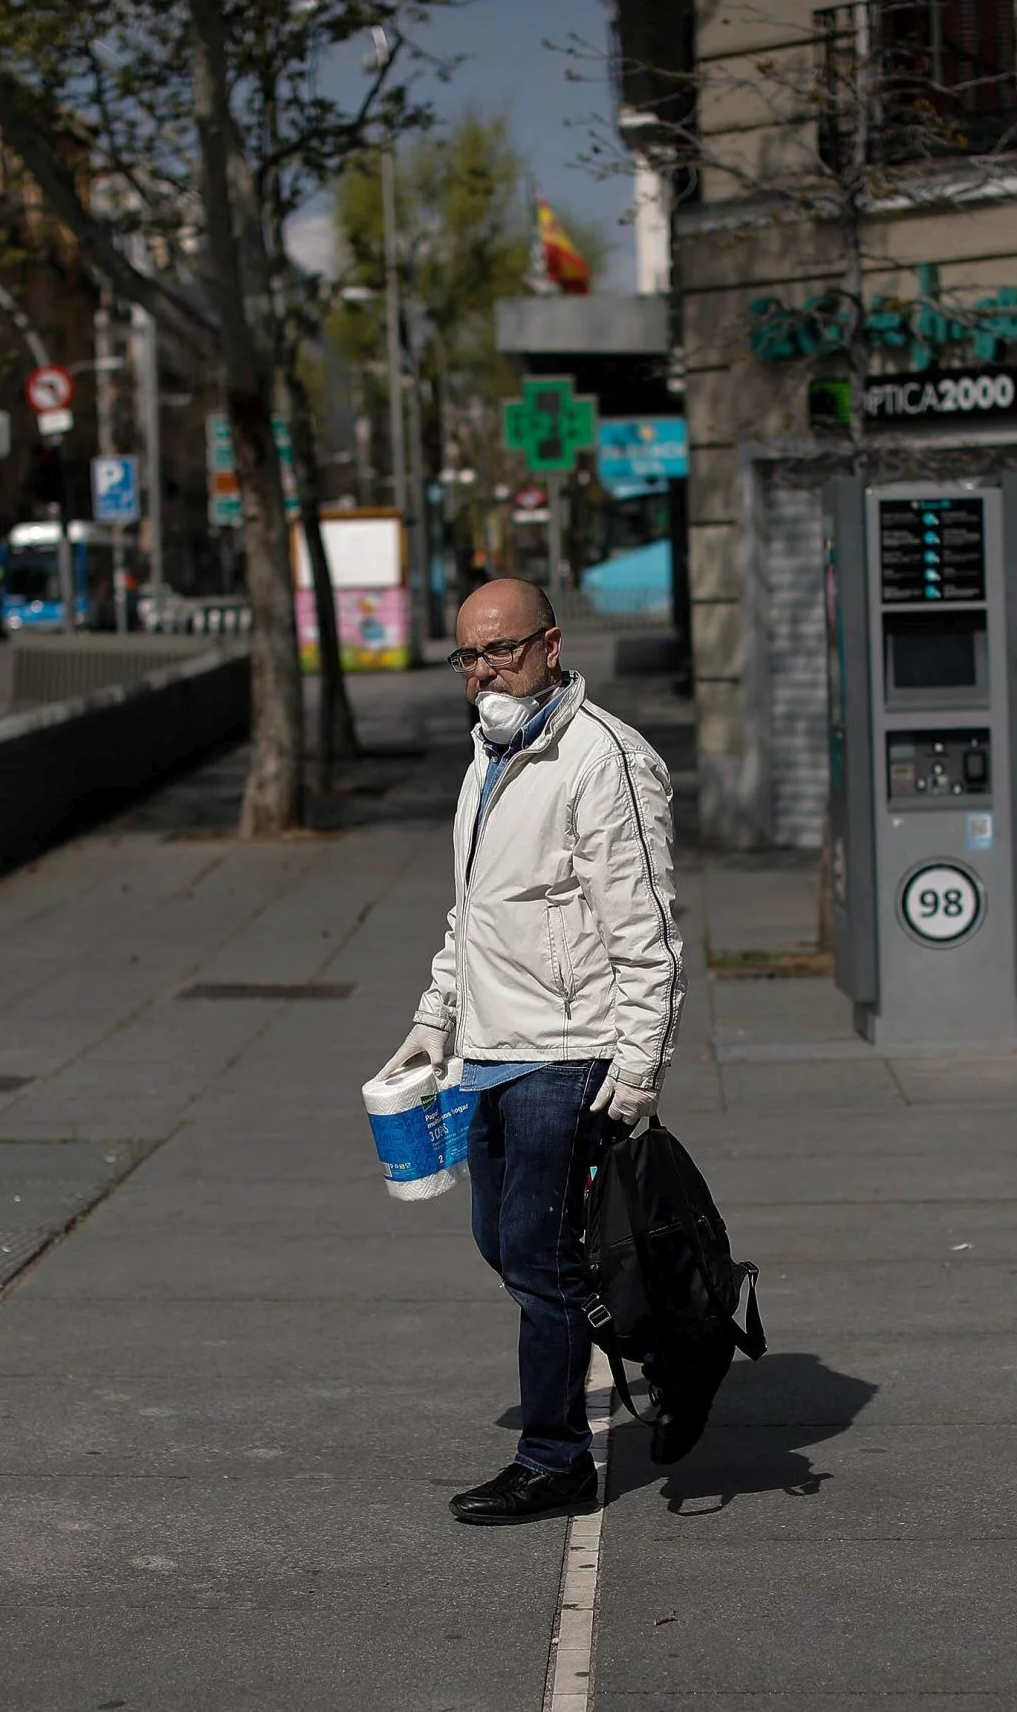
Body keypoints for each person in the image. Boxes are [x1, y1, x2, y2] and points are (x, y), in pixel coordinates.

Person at [383, 578, 683, 1526]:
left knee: (542, 1258)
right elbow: (474, 913)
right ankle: (676, 1335)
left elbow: (649, 931)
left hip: (569, 1050)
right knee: (506, 1245)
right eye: (467, 657)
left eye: (501, 651)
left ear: (550, 646)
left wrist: (638, 1067)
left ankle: (555, 1460)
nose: (483, 673)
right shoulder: (491, 752)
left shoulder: (604, 761)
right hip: (489, 1050)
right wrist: (436, 1015)